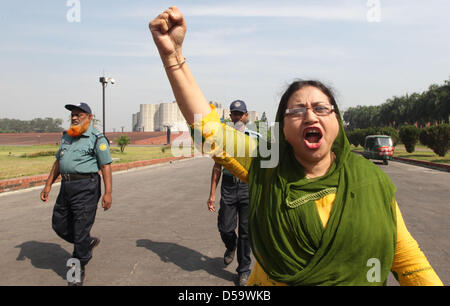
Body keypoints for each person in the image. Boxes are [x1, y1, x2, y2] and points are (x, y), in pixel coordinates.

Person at [149, 7, 443, 285]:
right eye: (297, 110)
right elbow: (208, 129)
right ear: (283, 128)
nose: (310, 115)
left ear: (337, 122)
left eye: (321, 108)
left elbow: (410, 264)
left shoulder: (371, 182)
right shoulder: (268, 163)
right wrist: (173, 57)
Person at [40, 102, 113, 286]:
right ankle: (85, 243)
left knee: (80, 228)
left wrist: (108, 193)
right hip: (66, 185)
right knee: (59, 223)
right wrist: (48, 185)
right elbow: (58, 162)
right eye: (72, 114)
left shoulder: (97, 138)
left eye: (79, 115)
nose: (74, 117)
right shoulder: (67, 137)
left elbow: (105, 166)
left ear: (89, 117)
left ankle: (77, 269)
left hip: (86, 187)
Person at [207, 100, 259, 286]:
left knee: (246, 232)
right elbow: (217, 167)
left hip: (247, 188)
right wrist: (212, 194)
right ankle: (231, 245)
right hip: (228, 187)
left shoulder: (254, 138)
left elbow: (262, 169)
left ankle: (243, 270)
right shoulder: (223, 139)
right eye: (234, 114)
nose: (237, 117)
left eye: (240, 114)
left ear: (246, 116)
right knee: (226, 228)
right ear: (230, 117)